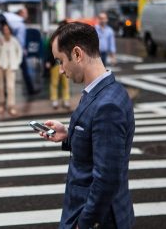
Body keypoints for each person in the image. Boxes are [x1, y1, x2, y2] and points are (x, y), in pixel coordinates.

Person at [38, 22, 135, 229]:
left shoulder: (108, 104)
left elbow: (106, 178)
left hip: (97, 218)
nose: (61, 70)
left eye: (61, 61)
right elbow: (98, 146)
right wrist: (68, 134)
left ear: (77, 54)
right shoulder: (106, 90)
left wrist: (84, 223)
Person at [0, 23, 23, 116]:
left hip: (10, 66)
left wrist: (17, 63)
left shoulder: (14, 40)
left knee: (10, 87)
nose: (6, 31)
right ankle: (1, 104)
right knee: (0, 87)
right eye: (4, 29)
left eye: (7, 29)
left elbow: (19, 52)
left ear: (10, 30)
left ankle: (11, 106)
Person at [15, 7, 37, 95]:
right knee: (24, 70)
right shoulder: (17, 24)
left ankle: (30, 89)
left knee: (25, 70)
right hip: (18, 51)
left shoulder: (20, 23)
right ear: (20, 14)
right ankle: (30, 89)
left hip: (21, 50)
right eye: (25, 13)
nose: (26, 14)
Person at [45, 41, 71, 109]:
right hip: (55, 65)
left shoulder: (65, 41)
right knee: (54, 83)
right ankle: (55, 100)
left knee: (65, 83)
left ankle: (65, 100)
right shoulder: (52, 42)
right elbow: (49, 52)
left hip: (64, 65)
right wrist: (48, 61)